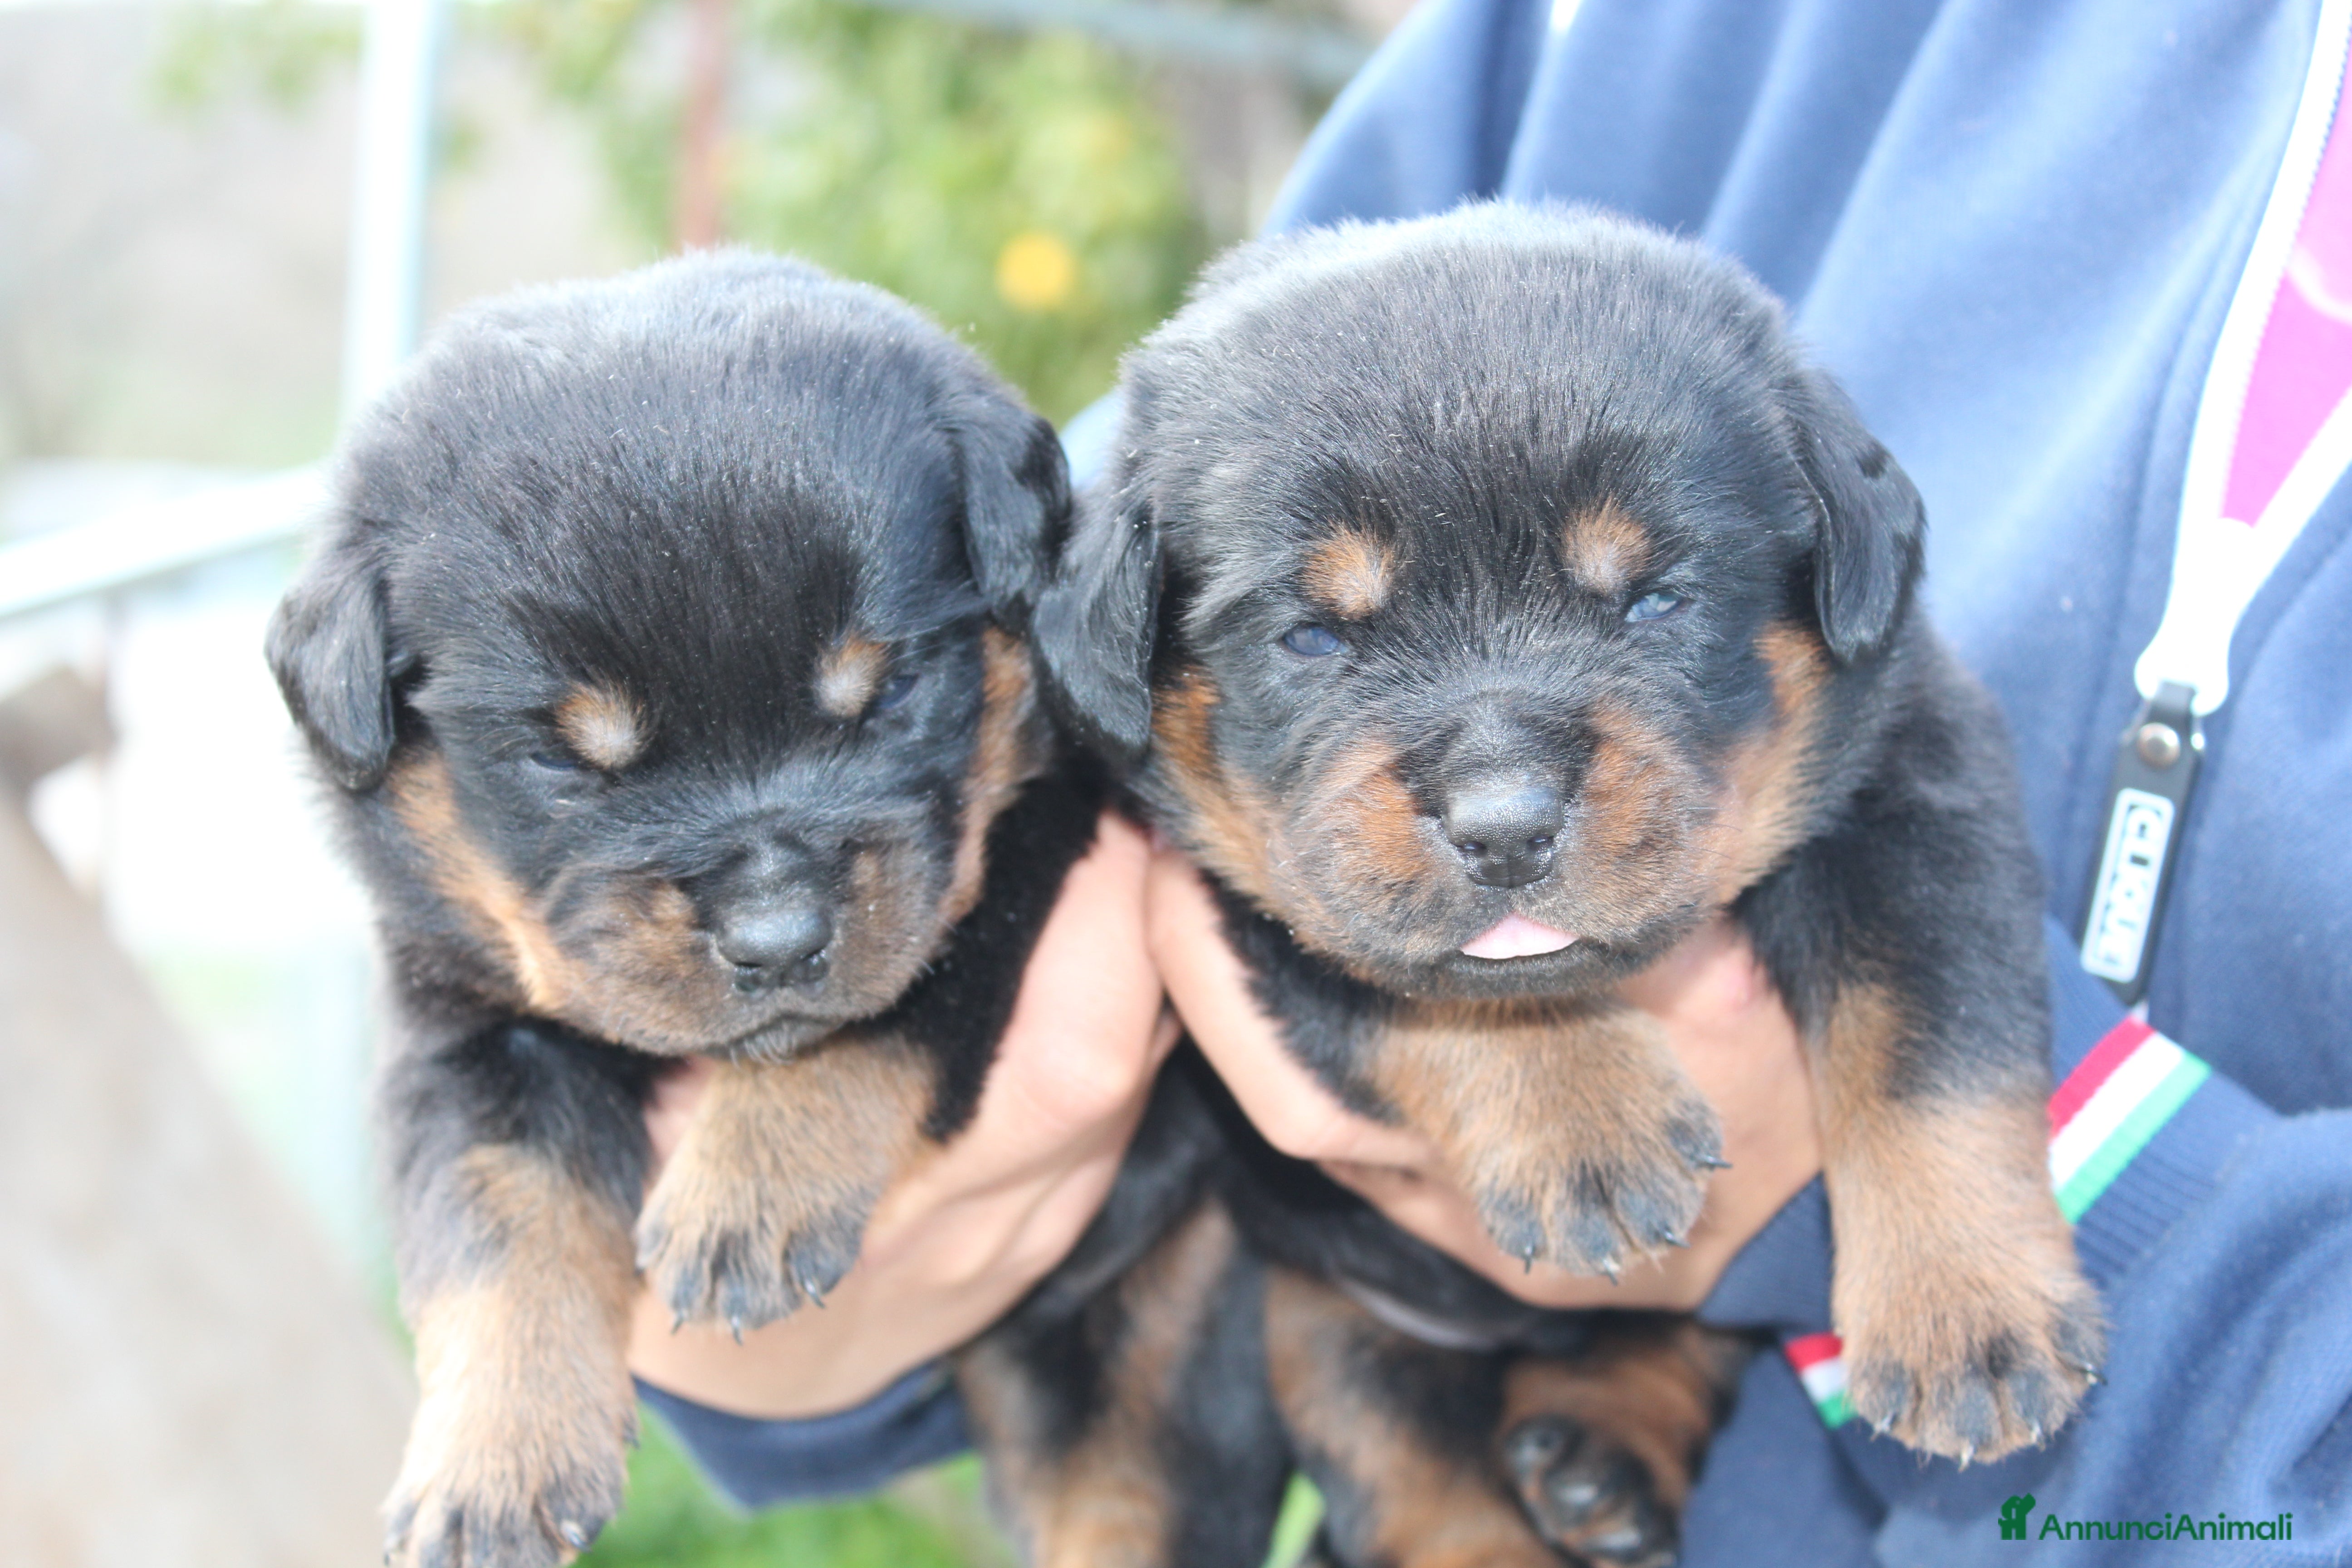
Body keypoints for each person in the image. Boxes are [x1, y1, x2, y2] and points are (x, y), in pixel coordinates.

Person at [635, 0, 2352, 1560]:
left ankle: (1625, 1412)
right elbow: (1000, 719)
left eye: (1652, 593)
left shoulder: (1852, 667)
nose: (1508, 796)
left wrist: (2021, 1202)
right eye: (1320, 639)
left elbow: (1920, 833)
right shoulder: (1643, 43)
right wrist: (765, 1259)